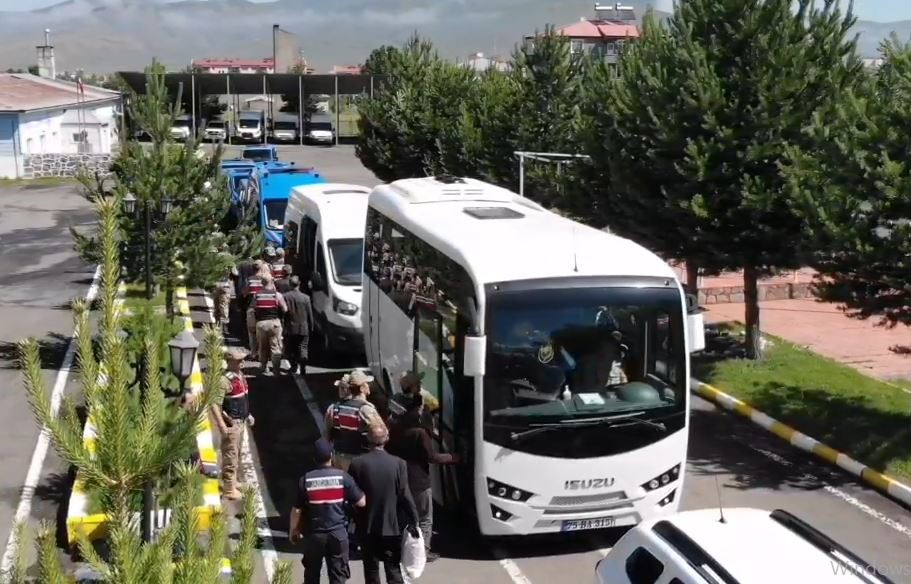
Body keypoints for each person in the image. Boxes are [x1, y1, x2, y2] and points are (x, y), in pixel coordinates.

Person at [387, 393, 459, 561]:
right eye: (419, 408)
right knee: (425, 518)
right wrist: (454, 457)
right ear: (413, 410)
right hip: (419, 480)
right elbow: (432, 457)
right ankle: (423, 552)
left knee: (404, 515)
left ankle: (402, 547)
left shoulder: (391, 428)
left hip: (398, 477)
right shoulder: (419, 433)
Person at [348, 424, 419, 584]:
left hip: (366, 527)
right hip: (391, 526)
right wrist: (414, 519)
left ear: (368, 439)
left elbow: (352, 496)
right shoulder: (399, 464)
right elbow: (404, 495)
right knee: (393, 568)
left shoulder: (357, 463)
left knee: (371, 570)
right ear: (386, 439)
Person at [289, 438, 366, 584]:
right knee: (338, 575)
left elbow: (296, 510)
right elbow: (362, 502)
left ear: (314, 458)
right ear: (331, 456)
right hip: (338, 534)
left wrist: (293, 530)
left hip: (315, 535)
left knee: (311, 575)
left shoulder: (306, 479)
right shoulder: (343, 477)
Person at [211, 348, 254, 500]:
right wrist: (222, 426)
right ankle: (229, 488)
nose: (242, 362)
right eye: (238, 360)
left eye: (242, 360)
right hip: (232, 424)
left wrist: (248, 414)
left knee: (237, 453)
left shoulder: (239, 376)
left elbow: (242, 399)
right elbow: (215, 403)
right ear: (230, 361)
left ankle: (233, 482)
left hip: (241, 421)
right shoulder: (224, 380)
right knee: (230, 455)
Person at [325, 370, 382, 472]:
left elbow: (327, 435)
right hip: (360, 457)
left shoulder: (333, 408)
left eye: (342, 387)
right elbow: (379, 434)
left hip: (339, 456)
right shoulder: (365, 409)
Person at [253, 273, 288, 375]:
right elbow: (285, 309)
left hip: (261, 324)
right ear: (272, 281)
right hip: (274, 323)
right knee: (275, 347)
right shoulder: (277, 295)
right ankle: (276, 369)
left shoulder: (257, 295)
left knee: (262, 347)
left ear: (262, 283)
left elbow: (254, 308)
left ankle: (263, 367)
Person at [282, 275, 314, 375]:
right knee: (303, 348)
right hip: (303, 327)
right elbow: (310, 314)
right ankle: (303, 367)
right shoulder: (306, 298)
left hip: (290, 328)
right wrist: (311, 326)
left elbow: (283, 313)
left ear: (290, 284)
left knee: (291, 348)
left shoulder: (285, 297)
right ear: (299, 284)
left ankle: (293, 366)